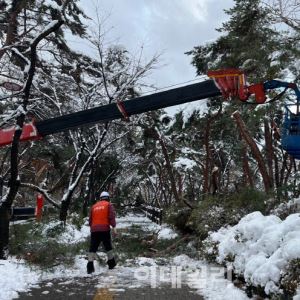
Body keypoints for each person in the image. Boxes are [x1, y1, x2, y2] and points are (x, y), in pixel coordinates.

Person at [87, 191, 117, 274]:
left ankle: (89, 266)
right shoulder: (108, 205)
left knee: (92, 247)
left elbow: (90, 220)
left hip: (94, 230)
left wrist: (92, 227)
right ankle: (111, 263)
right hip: (104, 229)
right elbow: (111, 216)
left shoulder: (94, 206)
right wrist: (114, 227)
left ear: (100, 198)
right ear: (108, 198)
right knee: (108, 246)